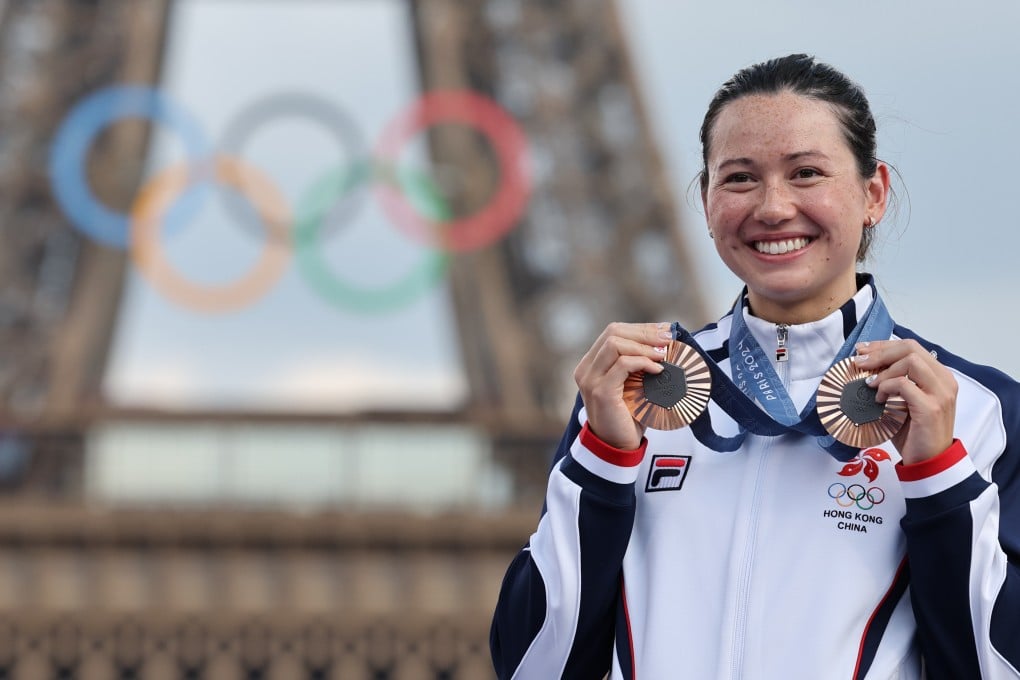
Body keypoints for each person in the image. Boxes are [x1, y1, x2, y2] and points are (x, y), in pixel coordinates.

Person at [489, 54, 1020, 679]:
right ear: (707, 199)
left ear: (873, 193)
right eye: (740, 178)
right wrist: (601, 461)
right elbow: (532, 667)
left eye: (806, 173)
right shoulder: (633, 395)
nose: (772, 208)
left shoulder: (981, 411)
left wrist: (937, 478)